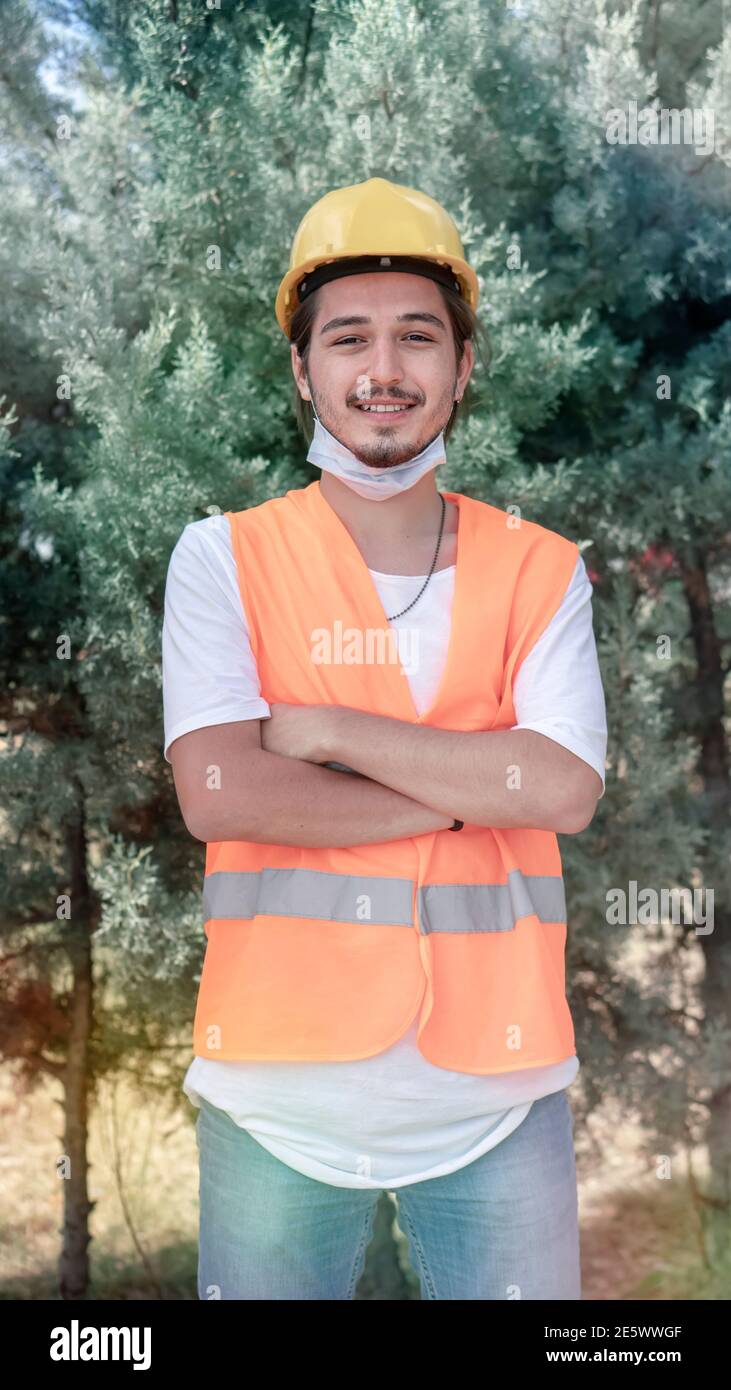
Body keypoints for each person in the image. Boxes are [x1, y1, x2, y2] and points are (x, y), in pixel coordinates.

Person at [162, 176, 607, 1300]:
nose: (383, 368)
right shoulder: (222, 558)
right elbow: (219, 791)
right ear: (301, 369)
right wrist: (468, 790)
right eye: (347, 337)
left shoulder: (541, 567)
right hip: (276, 1101)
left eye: (417, 335)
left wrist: (328, 730)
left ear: (462, 367)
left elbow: (562, 788)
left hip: (498, 1098)